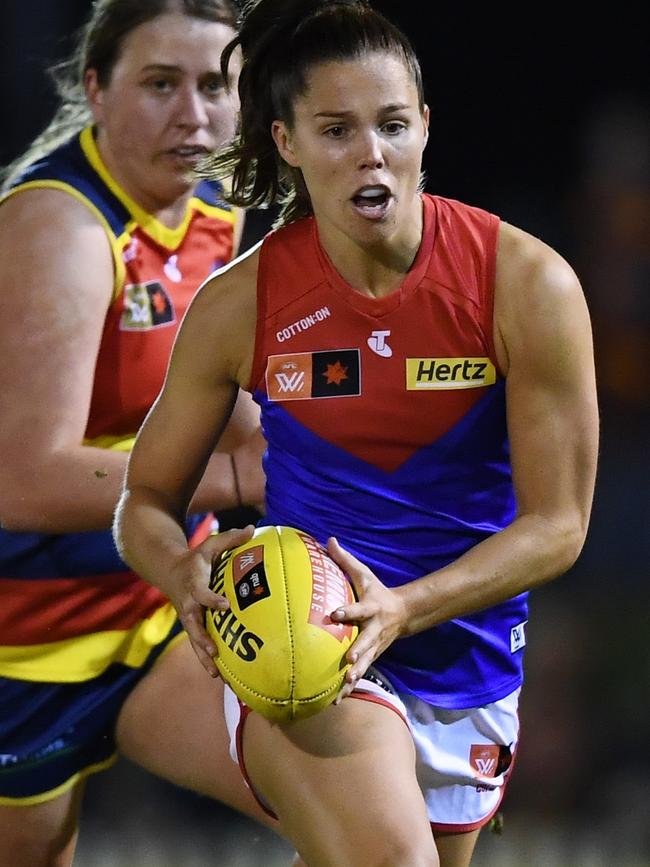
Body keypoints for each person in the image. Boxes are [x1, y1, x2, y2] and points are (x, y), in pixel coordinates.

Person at [114, 1, 600, 865]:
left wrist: (405, 609)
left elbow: (559, 525)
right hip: (312, 648)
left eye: (391, 124)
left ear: (425, 130)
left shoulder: (527, 285)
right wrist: (179, 569)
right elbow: (144, 500)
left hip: (467, 664)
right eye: (336, 129)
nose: (370, 153)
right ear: (288, 141)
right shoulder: (241, 304)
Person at [0, 2, 281, 865]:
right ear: (96, 88)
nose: (194, 115)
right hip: (25, 646)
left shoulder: (214, 204)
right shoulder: (62, 229)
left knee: (375, 821)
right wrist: (236, 478)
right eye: (161, 84)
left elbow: (214, 403)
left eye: (215, 85)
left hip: (164, 606)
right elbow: (24, 480)